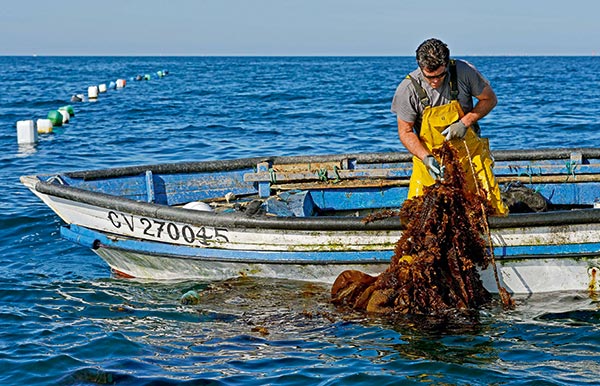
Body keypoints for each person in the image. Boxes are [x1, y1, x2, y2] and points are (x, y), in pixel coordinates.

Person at [391, 38, 507, 215]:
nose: (435, 81)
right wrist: (426, 158)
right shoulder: (407, 89)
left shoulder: (464, 72)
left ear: (447, 64)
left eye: (440, 75)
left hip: (469, 156)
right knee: (420, 215)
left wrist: (464, 123)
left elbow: (490, 99)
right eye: (429, 77)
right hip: (430, 161)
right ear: (420, 67)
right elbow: (405, 131)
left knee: (490, 208)